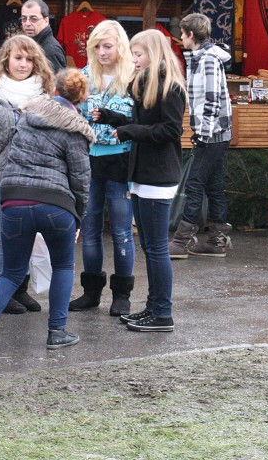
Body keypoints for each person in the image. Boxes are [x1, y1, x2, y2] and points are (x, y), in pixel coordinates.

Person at [0, 69, 94, 352]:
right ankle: (57, 332)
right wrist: (79, 216)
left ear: (55, 91)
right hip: (56, 203)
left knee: (11, 273)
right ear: (81, 98)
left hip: (13, 199)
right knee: (62, 266)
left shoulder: (26, 117)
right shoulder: (75, 129)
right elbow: (81, 180)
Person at [98, 29, 186, 331]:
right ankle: (153, 308)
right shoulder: (146, 83)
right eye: (133, 54)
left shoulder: (170, 86)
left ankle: (162, 313)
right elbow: (143, 125)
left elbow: (171, 131)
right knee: (151, 246)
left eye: (139, 54)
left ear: (154, 53)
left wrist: (130, 131)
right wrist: (114, 119)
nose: (133, 59)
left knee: (157, 247)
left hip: (158, 175)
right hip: (143, 173)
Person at [0, 35, 55, 315]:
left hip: (33, 177)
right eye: (18, 58)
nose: (23, 64)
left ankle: (19, 287)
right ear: (6, 59)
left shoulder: (45, 93)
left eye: (29, 59)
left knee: (27, 234)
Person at [70, 21, 136, 315]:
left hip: (121, 160)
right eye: (96, 46)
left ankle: (122, 294)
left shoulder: (135, 78)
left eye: (107, 45)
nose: (101, 52)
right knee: (90, 228)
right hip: (89, 159)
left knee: (122, 231)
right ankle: (91, 292)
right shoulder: (83, 76)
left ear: (120, 45)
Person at [169, 12, 234, 259]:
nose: (180, 38)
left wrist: (203, 134)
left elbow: (211, 99)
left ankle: (182, 240)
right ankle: (217, 240)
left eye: (182, 34)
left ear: (191, 34)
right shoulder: (202, 57)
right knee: (214, 185)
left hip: (213, 134)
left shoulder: (207, 59)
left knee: (195, 183)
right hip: (217, 132)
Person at [22, 0, 66, 72]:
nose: (27, 23)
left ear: (46, 21)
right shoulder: (31, 43)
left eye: (33, 19)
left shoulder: (51, 51)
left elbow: (56, 82)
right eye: (24, 19)